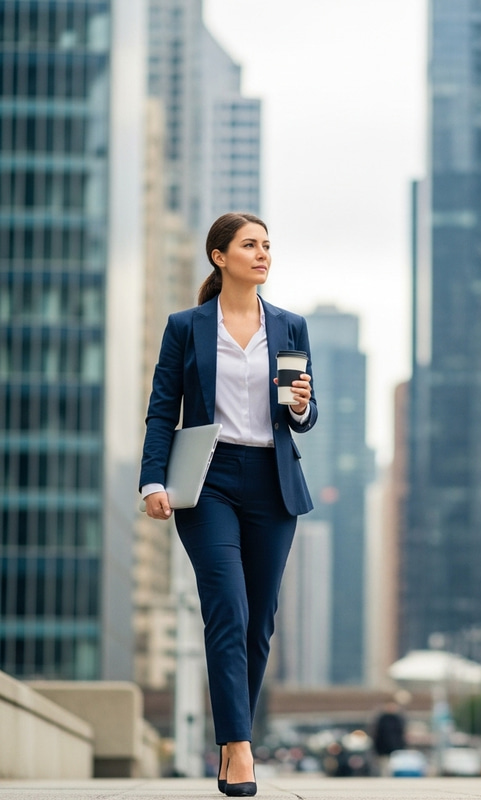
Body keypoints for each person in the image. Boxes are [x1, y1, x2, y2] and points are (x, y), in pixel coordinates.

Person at [139, 212, 317, 798]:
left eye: (267, 245)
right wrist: (152, 482)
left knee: (259, 624)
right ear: (220, 256)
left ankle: (228, 738)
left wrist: (298, 405)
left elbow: (304, 418)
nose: (263, 254)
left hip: (272, 480)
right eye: (249, 245)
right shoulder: (186, 327)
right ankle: (238, 748)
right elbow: (164, 408)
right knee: (227, 610)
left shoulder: (290, 327)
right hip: (208, 480)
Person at [372, 700, 407, 776]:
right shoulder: (382, 719)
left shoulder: (398, 719)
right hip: (383, 747)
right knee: (384, 766)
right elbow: (378, 733)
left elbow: (401, 733)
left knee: (395, 765)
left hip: (396, 747)